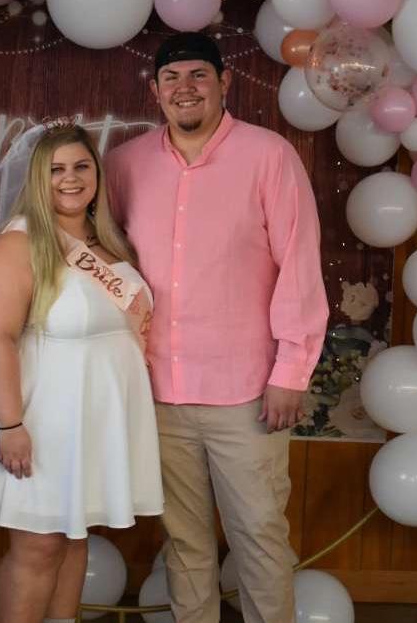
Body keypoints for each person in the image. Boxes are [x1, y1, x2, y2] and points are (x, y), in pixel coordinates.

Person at [106, 32, 329, 623]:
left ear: (225, 83)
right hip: (157, 392)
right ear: (155, 91)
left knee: (259, 537)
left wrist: (291, 372)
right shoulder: (123, 165)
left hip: (248, 393)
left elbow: (300, 267)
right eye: (173, 79)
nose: (186, 89)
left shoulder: (269, 156)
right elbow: (105, 264)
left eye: (199, 75)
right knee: (184, 543)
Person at [0, 121, 163, 623]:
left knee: (72, 539)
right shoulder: (20, 245)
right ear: (36, 179)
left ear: (96, 173)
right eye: (55, 170)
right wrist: (9, 425)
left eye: (80, 166)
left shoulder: (106, 242)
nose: (70, 179)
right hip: (38, 417)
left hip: (88, 420)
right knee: (38, 548)